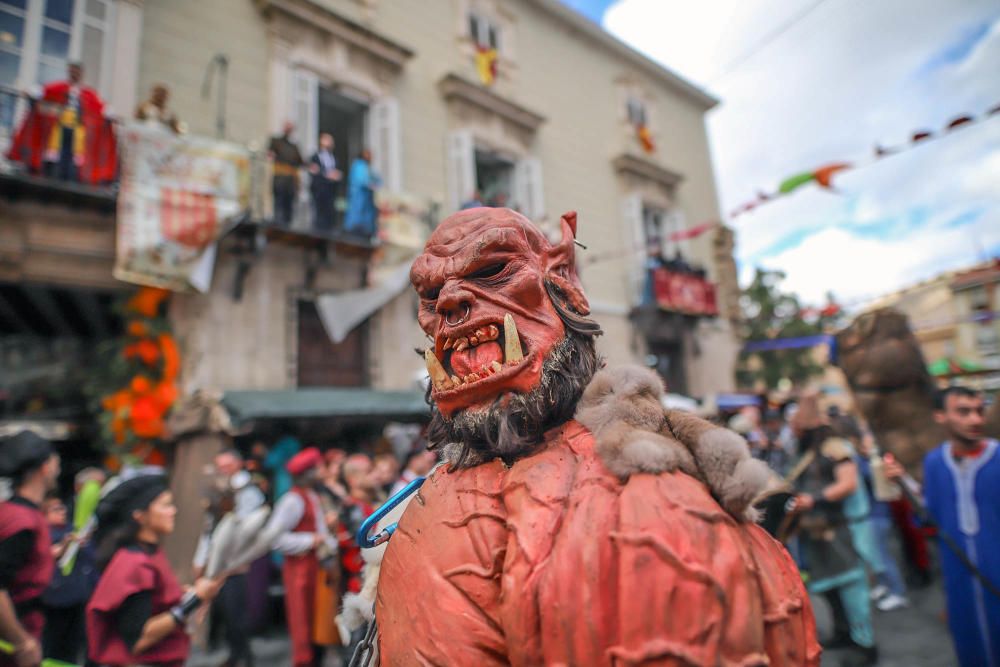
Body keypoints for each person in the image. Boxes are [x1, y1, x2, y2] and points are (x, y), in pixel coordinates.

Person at [374, 208, 819, 665]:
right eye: (429, 295)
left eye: (492, 271)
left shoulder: (646, 496)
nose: (448, 302)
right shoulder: (440, 488)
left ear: (563, 280)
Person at [885, 386, 1000, 666]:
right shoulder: (935, 462)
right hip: (958, 578)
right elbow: (929, 517)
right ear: (940, 416)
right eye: (963, 412)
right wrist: (903, 483)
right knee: (970, 647)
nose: (975, 419)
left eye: (978, 411)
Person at [86, 473, 222, 667]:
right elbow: (138, 639)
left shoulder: (149, 553)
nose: (173, 511)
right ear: (139, 515)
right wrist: (194, 600)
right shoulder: (135, 564)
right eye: (165, 505)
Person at [789, 395, 877, 664]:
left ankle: (866, 645)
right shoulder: (808, 453)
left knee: (853, 591)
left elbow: (847, 483)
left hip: (841, 531)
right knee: (831, 590)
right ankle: (843, 633)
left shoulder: (836, 447)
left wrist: (814, 499)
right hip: (818, 533)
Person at [264, 448, 338, 667]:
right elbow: (274, 539)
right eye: (319, 467)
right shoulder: (292, 501)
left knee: (317, 624)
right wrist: (311, 540)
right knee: (303, 622)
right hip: (301, 571)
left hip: (316, 569)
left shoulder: (313, 496)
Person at [192, 450, 265, 667]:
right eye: (220, 466)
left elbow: (246, 526)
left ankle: (244, 655)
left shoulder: (247, 489)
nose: (222, 470)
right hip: (218, 554)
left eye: (226, 465)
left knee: (236, 609)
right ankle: (235, 653)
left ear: (237, 464)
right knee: (224, 608)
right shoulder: (218, 488)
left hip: (235, 559)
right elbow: (210, 526)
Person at [0, 432, 60, 667]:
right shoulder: (23, 522)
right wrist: (22, 641)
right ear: (44, 468)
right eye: (56, 462)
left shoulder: (12, 512)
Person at [6, 61, 114, 184]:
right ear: (69, 72)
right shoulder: (59, 87)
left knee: (74, 158)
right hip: (59, 129)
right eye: (72, 70)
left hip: (78, 131)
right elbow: (41, 91)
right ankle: (53, 178)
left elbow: (101, 107)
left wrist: (109, 112)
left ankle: (70, 180)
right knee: (56, 155)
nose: (74, 73)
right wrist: (30, 92)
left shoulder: (88, 93)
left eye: (77, 71)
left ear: (81, 74)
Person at [855, 431, 910, 612]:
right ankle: (885, 585)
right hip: (874, 515)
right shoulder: (866, 461)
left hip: (878, 516)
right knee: (876, 556)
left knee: (883, 556)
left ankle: (898, 592)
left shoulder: (874, 463)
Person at [268, 122, 304, 227]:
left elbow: (300, 161)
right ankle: (277, 225)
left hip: (290, 180)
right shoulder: (276, 141)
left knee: (289, 206)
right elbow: (270, 152)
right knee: (279, 203)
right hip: (280, 178)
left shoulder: (294, 146)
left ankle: (287, 226)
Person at [308, 133, 342, 233]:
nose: (331, 143)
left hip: (330, 191)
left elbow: (336, 171)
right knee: (319, 217)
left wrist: (336, 176)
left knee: (330, 217)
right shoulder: (315, 157)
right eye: (328, 140)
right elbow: (314, 171)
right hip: (319, 191)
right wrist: (326, 175)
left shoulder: (334, 158)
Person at [343, 149, 380, 238]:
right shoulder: (359, 166)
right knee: (356, 220)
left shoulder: (367, 168)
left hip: (366, 201)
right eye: (368, 155)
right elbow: (362, 181)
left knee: (365, 222)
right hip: (358, 198)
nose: (370, 157)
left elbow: (377, 179)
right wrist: (370, 185)